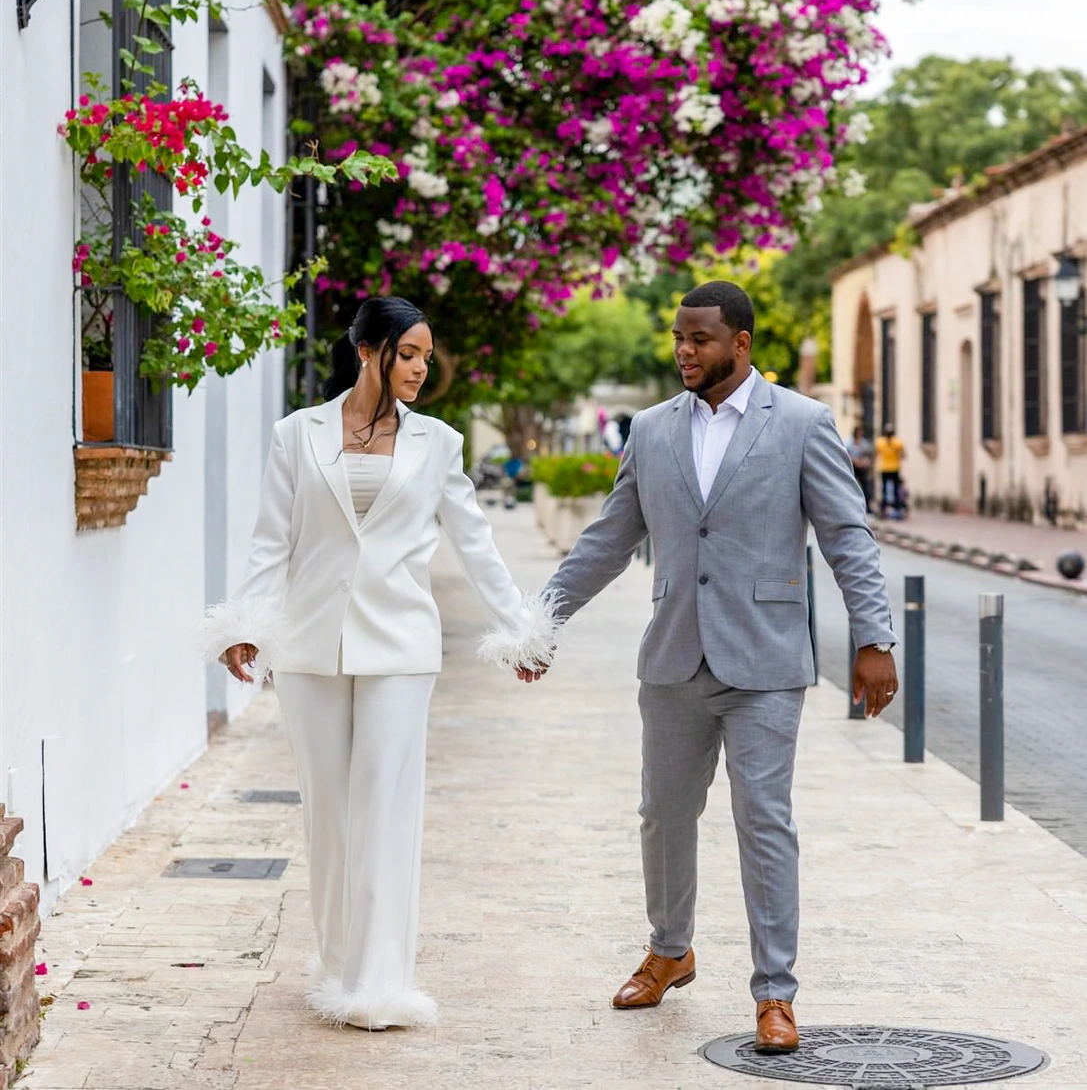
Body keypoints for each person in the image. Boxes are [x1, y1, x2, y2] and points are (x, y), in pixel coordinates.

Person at [526, 281, 897, 1055]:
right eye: (677, 338)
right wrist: (543, 619)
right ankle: (670, 949)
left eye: (699, 339)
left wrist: (874, 637)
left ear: (741, 342)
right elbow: (608, 536)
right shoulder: (652, 429)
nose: (684, 351)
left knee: (763, 821)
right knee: (662, 813)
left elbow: (847, 536)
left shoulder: (800, 422)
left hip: (763, 659)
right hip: (672, 656)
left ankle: (774, 993)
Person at [201, 297, 556, 1032]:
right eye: (409, 353)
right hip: (309, 645)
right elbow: (273, 539)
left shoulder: (439, 442)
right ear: (368, 350)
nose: (422, 368)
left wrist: (518, 632)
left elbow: (476, 542)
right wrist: (246, 625)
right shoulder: (296, 434)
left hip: (399, 646)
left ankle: (379, 981)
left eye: (427, 355)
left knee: (385, 804)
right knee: (328, 808)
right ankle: (337, 962)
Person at [874, 424, 907, 518]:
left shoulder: (881, 442)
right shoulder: (896, 442)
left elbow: (876, 454)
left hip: (888, 468)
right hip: (891, 468)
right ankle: (892, 509)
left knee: (887, 490)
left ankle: (886, 509)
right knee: (892, 490)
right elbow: (904, 455)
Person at [846, 425, 874, 510]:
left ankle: (867, 507)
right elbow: (846, 455)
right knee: (851, 486)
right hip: (852, 467)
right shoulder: (849, 442)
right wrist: (855, 461)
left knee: (865, 486)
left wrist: (866, 461)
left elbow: (868, 454)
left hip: (862, 468)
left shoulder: (863, 442)